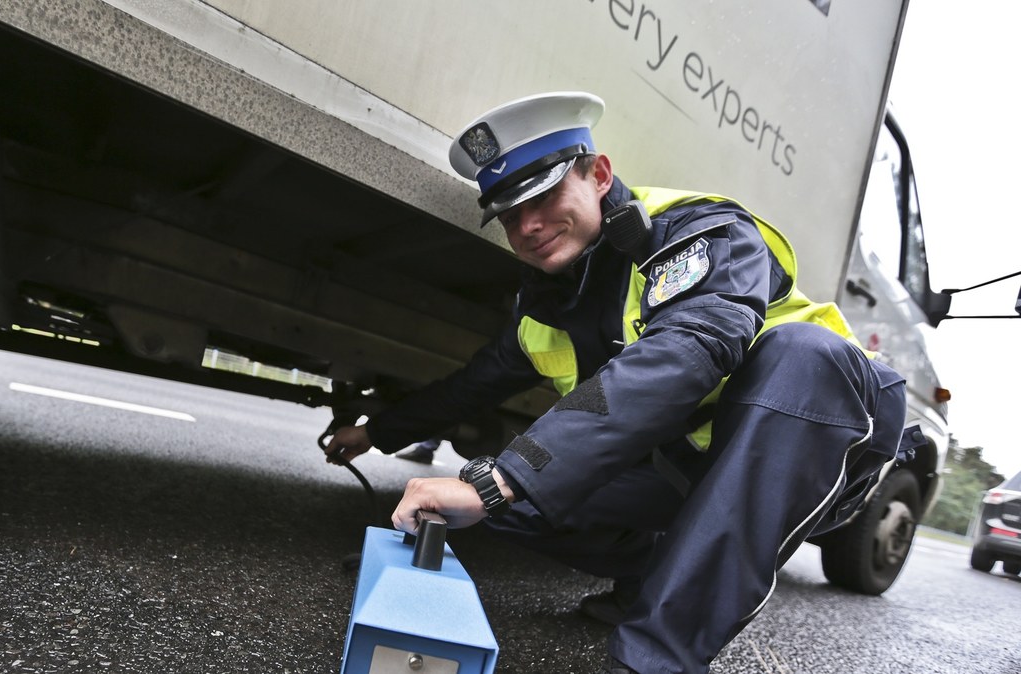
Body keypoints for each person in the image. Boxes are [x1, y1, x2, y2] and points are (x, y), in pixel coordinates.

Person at [323, 92, 910, 674]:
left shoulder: (695, 232)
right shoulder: (546, 311)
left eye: (546, 194)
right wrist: (375, 432)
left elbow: (687, 350)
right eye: (507, 213)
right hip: (691, 469)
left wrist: (503, 477)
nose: (527, 225)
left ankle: (656, 660)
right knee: (514, 504)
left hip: (825, 448)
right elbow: (468, 388)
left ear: (599, 175)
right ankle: (654, 571)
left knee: (801, 353)